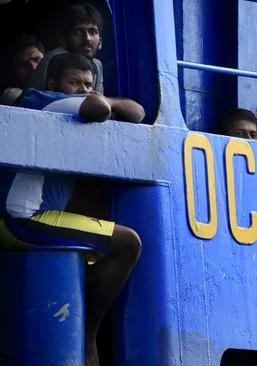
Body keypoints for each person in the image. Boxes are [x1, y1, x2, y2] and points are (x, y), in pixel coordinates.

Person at [1, 53, 144, 366]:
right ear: (53, 84)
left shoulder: (68, 102)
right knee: (128, 242)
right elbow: (99, 108)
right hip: (25, 217)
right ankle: (88, 337)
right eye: (74, 83)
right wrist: (94, 98)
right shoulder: (46, 100)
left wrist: (97, 95)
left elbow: (138, 112)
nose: (82, 90)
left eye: (89, 84)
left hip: (31, 216)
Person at [27, 3, 104, 93]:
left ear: (100, 42)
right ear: (63, 40)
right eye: (77, 32)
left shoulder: (97, 65)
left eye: (93, 32)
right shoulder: (55, 58)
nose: (87, 38)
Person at [0, 34, 44, 105]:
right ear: (12, 73)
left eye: (36, 59)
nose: (33, 68)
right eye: (22, 65)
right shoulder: (12, 95)